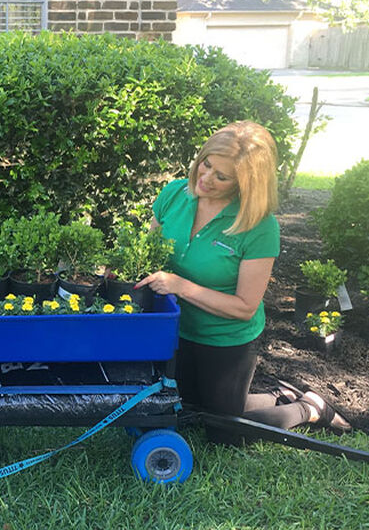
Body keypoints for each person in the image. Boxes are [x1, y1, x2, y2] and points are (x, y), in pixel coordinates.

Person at [134, 121, 351, 444]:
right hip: (173, 331)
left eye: (221, 177)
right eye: (205, 164)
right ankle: (271, 395)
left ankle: (307, 408)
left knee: (223, 432)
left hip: (224, 338)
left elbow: (245, 308)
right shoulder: (174, 194)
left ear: (246, 183)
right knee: (184, 411)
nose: (205, 179)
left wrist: (180, 286)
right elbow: (146, 256)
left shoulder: (259, 227)